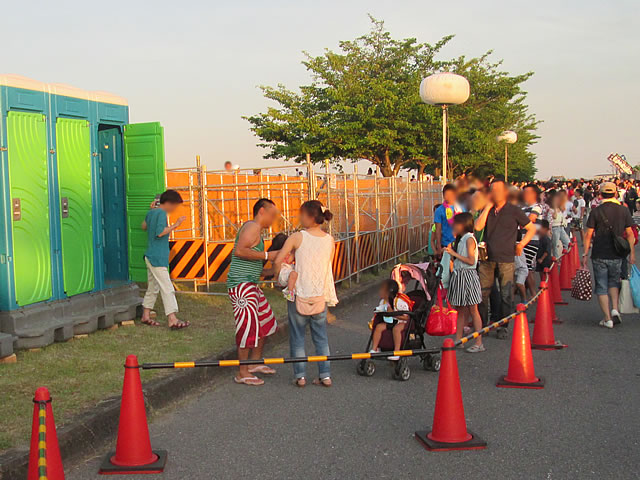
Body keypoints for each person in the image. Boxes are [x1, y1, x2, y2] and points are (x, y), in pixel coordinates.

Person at [275, 200, 338, 387]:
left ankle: (300, 376)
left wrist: (281, 274)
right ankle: (325, 375)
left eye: (301, 214)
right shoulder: (330, 240)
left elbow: (279, 259)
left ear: (310, 217)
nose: (299, 217)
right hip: (319, 295)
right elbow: (325, 266)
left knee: (297, 337)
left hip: (298, 295)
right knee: (321, 337)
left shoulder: (297, 237)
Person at [227, 198, 280, 386]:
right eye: (272, 214)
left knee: (265, 323)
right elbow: (239, 251)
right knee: (247, 327)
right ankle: (242, 372)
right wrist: (268, 255)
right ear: (262, 212)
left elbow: (252, 264)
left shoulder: (258, 232)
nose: (274, 219)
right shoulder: (252, 227)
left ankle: (254, 363)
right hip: (241, 286)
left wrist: (272, 271)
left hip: (250, 284)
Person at [474, 180, 536, 330]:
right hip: (487, 258)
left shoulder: (514, 210)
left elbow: (531, 229)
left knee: (506, 294)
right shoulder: (488, 210)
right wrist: (487, 207)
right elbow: (477, 226)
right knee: (483, 294)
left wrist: (521, 245)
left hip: (507, 258)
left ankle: (504, 326)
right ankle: (482, 326)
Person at [582, 182, 636, 329]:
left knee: (601, 285)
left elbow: (588, 234)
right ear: (616, 194)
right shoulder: (623, 210)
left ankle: (607, 319)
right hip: (617, 254)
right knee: (614, 282)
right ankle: (615, 309)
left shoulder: (596, 211)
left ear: (600, 195)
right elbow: (630, 234)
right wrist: (632, 253)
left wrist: (585, 253)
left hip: (599, 252)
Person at [140, 190, 189, 329]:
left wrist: (150, 211)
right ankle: (172, 318)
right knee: (167, 287)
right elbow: (160, 232)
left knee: (153, 287)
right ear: (168, 203)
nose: (174, 209)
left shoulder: (152, 212)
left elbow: (144, 226)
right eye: (174, 206)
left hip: (150, 255)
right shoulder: (161, 214)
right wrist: (176, 225)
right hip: (157, 257)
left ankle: (146, 315)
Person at [445, 212, 484, 353]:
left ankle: (479, 342)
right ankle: (458, 339)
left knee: (473, 310)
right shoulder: (461, 239)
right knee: (460, 310)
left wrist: (453, 254)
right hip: (459, 275)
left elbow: (471, 260)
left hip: (467, 275)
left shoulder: (469, 239)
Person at [369, 279, 412, 360]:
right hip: (391, 321)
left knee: (396, 329)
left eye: (382, 289)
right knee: (378, 327)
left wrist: (393, 313)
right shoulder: (383, 302)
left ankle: (397, 352)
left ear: (388, 292)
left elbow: (407, 317)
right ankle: (375, 349)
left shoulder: (399, 302)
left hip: (402, 321)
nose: (379, 291)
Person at [433, 184, 463, 256]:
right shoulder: (439, 210)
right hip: (445, 244)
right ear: (443, 195)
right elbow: (438, 229)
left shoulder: (460, 208)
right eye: (447, 194)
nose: (449, 197)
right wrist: (439, 247)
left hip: (460, 242)